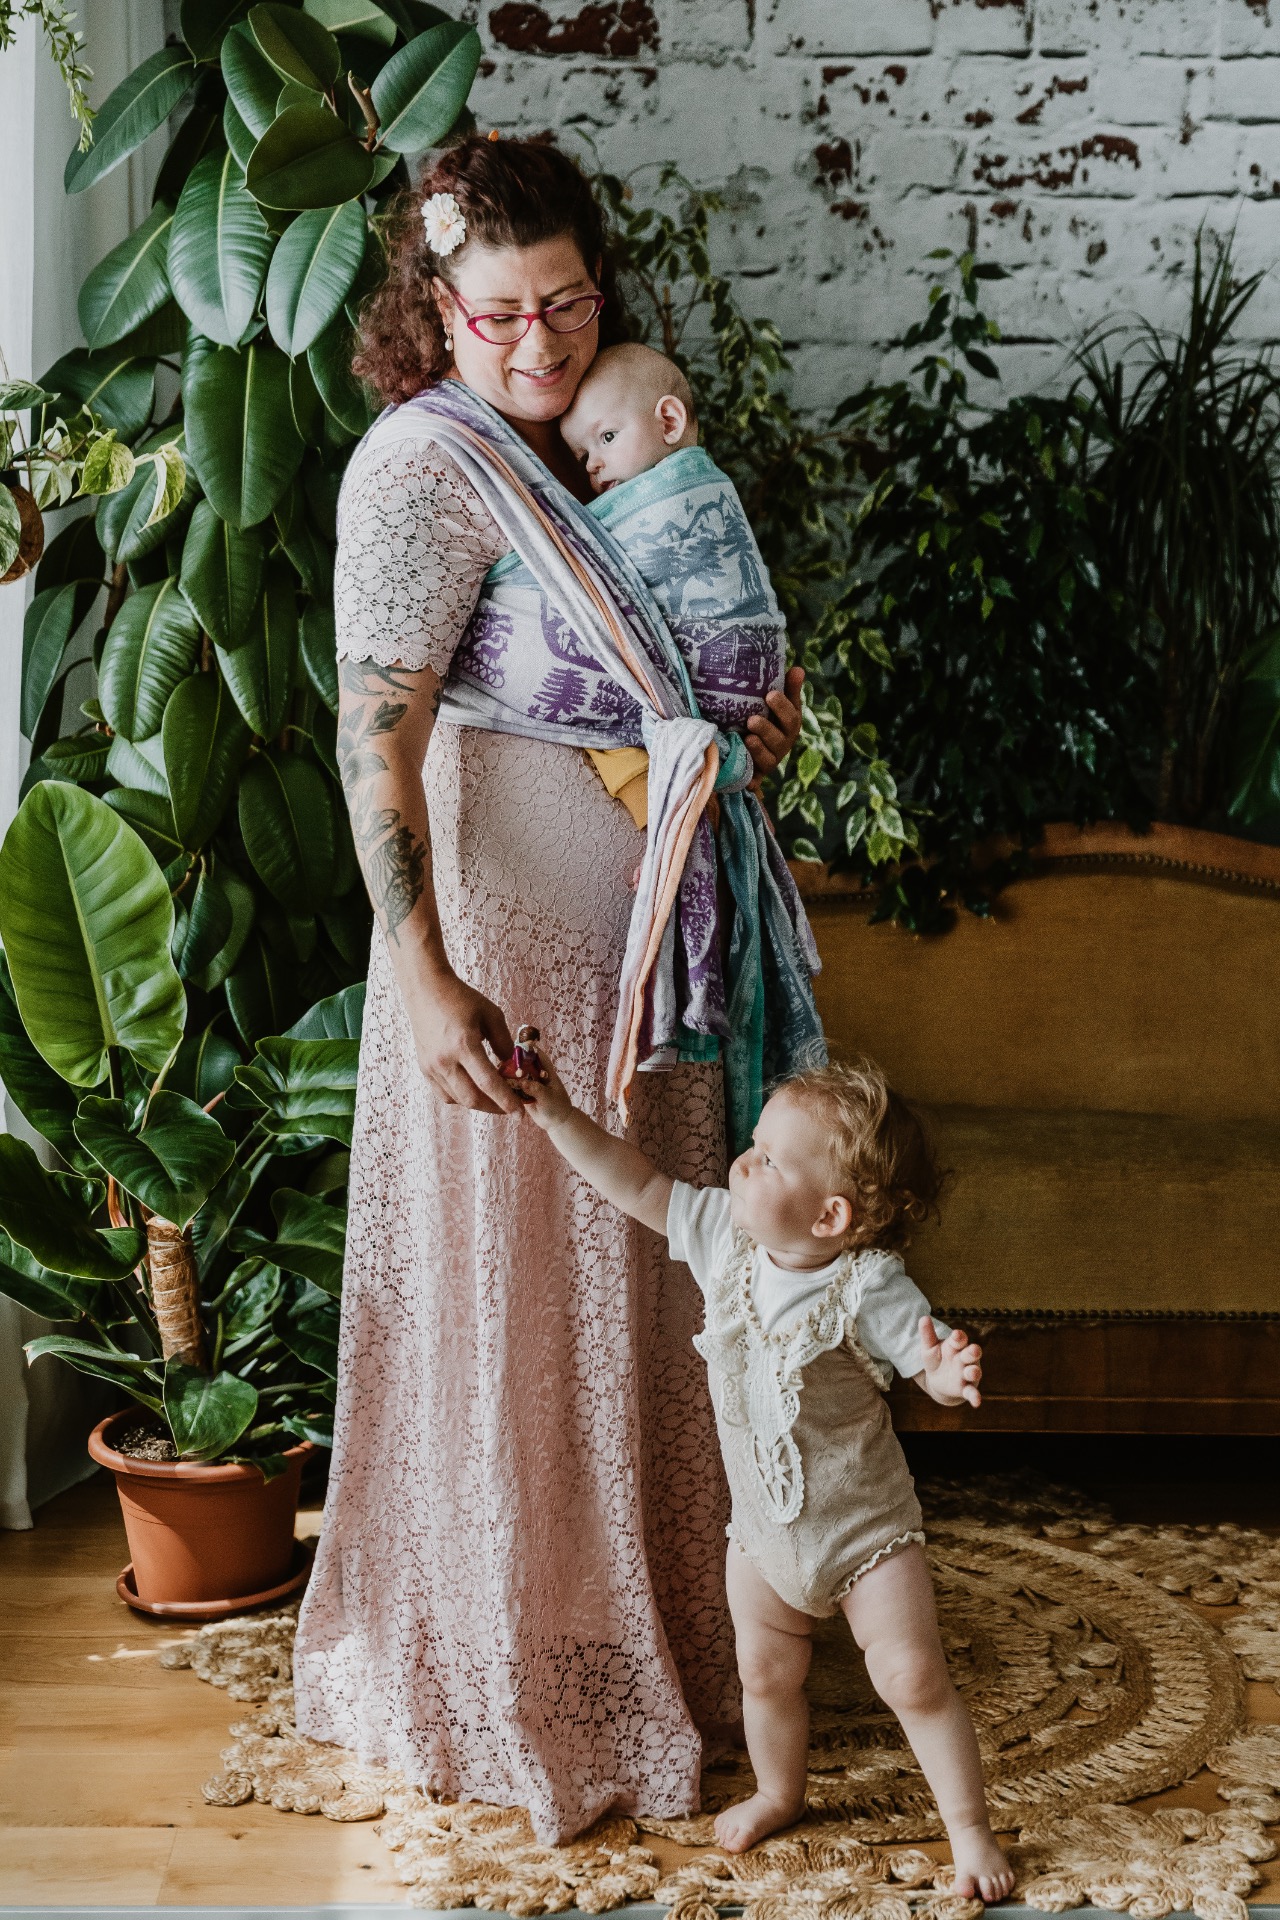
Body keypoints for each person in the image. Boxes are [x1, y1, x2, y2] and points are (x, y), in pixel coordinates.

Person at [292, 134, 809, 1847]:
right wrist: (420, 971)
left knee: (643, 1292)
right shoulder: (420, 471)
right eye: (501, 313)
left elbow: (659, 665)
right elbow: (380, 736)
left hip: (641, 968)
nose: (539, 343)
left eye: (569, 302)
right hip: (497, 956)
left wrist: (739, 726)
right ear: (436, 310)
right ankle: (514, 1659)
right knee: (520, 1304)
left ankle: (650, 1628)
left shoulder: (606, 436)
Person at [518, 1046, 1016, 1903]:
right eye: (754, 1143)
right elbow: (636, 1184)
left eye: (769, 1158)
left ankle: (968, 1829)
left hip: (865, 1534)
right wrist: (560, 1116)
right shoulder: (724, 1236)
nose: (742, 1161)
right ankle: (781, 1791)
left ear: (830, 1216)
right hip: (761, 1534)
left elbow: (919, 1353)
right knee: (764, 1674)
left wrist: (945, 1374)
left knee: (911, 1676)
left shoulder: (870, 1285)